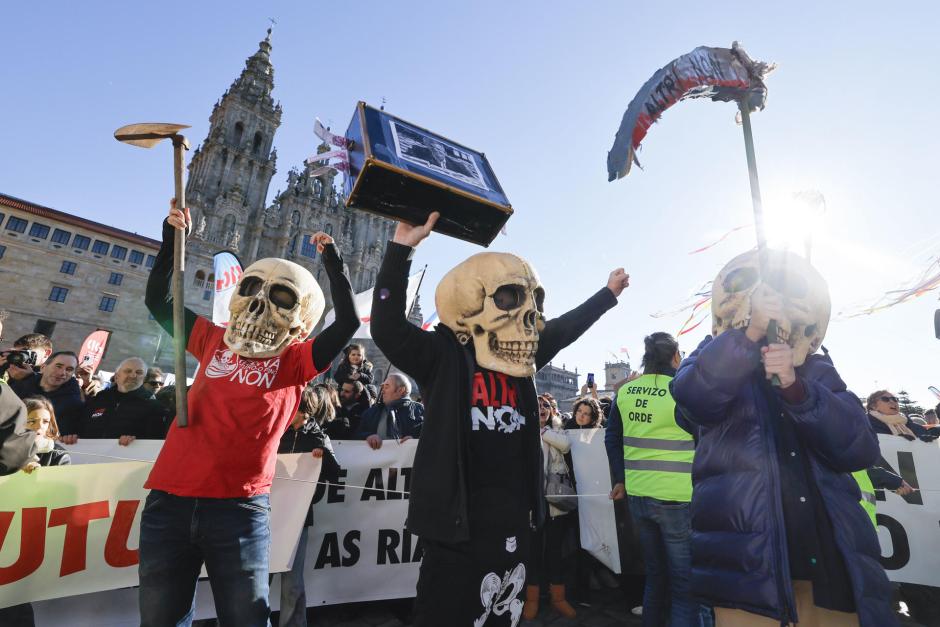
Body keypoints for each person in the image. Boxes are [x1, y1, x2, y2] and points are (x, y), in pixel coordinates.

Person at [369, 212, 629, 626]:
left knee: (498, 615)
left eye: (533, 305)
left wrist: (607, 295)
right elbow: (387, 327)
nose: (528, 318)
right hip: (458, 523)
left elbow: (563, 328)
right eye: (508, 300)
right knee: (444, 612)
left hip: (511, 518)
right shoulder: (444, 357)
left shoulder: (522, 359)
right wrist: (401, 248)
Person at [136, 200, 358, 627]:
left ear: (299, 323)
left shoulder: (297, 361)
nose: (258, 307)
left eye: (279, 300)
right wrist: (173, 238)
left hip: (239, 510)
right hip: (170, 500)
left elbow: (346, 321)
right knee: (161, 619)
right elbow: (158, 300)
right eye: (252, 292)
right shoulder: (210, 339)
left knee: (247, 620)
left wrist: (333, 260)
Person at [672, 274, 894, 625]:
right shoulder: (707, 360)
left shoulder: (819, 371)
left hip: (828, 567)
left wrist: (797, 389)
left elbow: (860, 448)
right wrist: (748, 337)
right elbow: (694, 399)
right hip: (747, 573)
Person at [606, 332, 705, 627]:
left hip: (638, 495)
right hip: (678, 497)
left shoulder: (626, 392)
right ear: (676, 356)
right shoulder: (682, 389)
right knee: (684, 586)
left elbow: (612, 439)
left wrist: (620, 480)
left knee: (655, 576)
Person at [276, 385, 341, 627]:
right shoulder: (276, 430)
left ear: (304, 410)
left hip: (298, 517)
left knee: (292, 582)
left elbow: (335, 473)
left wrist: (323, 456)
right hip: (266, 513)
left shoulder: (318, 437)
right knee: (258, 578)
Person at [523, 393, 578, 620]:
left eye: (546, 405)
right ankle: (532, 599)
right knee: (533, 552)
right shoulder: (520, 432)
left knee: (555, 551)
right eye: (537, 406)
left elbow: (565, 445)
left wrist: (543, 432)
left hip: (555, 503)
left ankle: (558, 598)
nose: (542, 408)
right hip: (530, 503)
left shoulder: (556, 430)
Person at [80, 357, 169, 443]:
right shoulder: (101, 398)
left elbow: (154, 442)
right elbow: (82, 425)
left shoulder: (154, 407)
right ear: (117, 375)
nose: (133, 375)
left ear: (144, 378)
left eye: (139, 372)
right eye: (128, 371)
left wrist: (136, 441)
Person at [9, 351, 84, 443]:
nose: (62, 373)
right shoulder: (20, 385)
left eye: (69, 369)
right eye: (58, 366)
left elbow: (61, 436)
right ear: (43, 367)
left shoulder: (73, 404)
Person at [355, 373, 423, 448]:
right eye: (382, 387)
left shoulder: (419, 410)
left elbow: (432, 436)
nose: (382, 391)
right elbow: (356, 434)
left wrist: (415, 441)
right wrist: (367, 436)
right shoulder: (372, 411)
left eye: (386, 387)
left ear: (401, 390)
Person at [866, 390, 937, 442]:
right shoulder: (865, 426)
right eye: (885, 399)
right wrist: (895, 441)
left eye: (895, 399)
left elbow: (927, 435)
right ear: (873, 406)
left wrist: (930, 436)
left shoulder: (910, 424)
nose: (892, 402)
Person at [21, 396, 71, 470]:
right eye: (32, 421)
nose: (40, 426)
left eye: (45, 421)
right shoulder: (4, 450)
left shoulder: (59, 455)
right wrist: (16, 468)